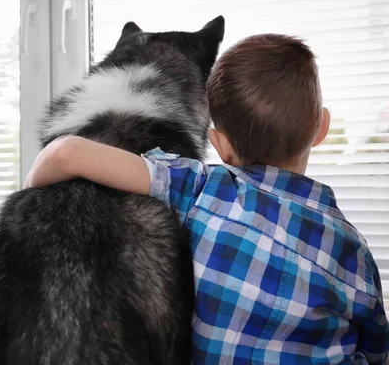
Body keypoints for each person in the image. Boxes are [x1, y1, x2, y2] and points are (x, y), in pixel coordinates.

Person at [25, 34, 389, 364]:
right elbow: (375, 348)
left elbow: (65, 153)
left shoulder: (199, 188)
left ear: (219, 145)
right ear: (321, 128)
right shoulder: (350, 248)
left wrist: (32, 192)